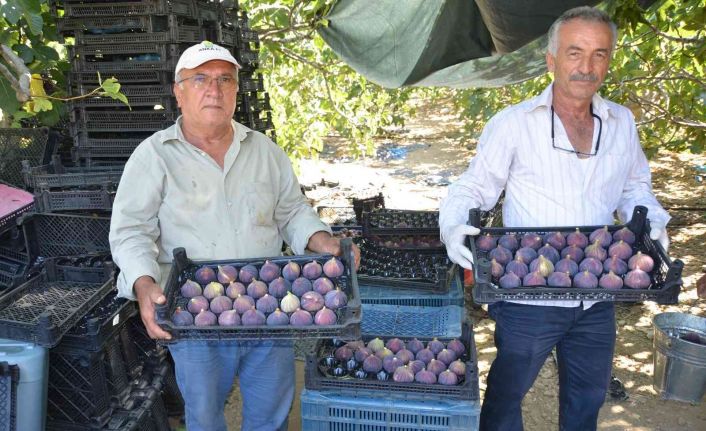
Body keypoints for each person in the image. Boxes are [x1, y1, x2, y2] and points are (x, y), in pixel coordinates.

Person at [439, 7, 670, 431]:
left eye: (599, 54)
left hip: (599, 292)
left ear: (610, 60)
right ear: (551, 60)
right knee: (508, 395)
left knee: (588, 397)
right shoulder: (513, 124)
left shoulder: (622, 122)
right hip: (529, 294)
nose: (586, 67)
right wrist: (453, 225)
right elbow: (471, 188)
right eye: (574, 53)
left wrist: (654, 220)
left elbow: (636, 189)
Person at [109, 41, 359, 431]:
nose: (215, 89)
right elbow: (129, 232)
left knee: (270, 413)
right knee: (205, 418)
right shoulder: (153, 157)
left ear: (236, 90)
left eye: (225, 79)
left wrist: (320, 241)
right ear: (179, 91)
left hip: (269, 309)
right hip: (195, 316)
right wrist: (143, 284)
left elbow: (291, 211)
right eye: (201, 79)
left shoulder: (264, 151)